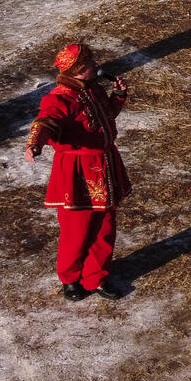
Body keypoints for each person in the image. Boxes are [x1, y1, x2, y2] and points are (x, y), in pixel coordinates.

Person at [24, 42, 131, 301]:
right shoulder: (59, 98)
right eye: (91, 64)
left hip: (104, 165)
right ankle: (70, 279)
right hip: (78, 171)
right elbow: (46, 121)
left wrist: (117, 97)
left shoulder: (93, 90)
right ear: (80, 69)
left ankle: (96, 277)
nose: (96, 66)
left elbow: (106, 116)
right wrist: (35, 144)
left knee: (105, 227)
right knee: (77, 229)